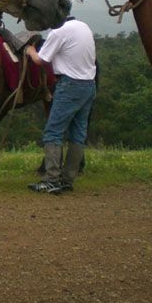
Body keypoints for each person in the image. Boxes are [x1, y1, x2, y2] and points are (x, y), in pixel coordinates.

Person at [24, 16, 96, 194]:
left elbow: (41, 60)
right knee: (78, 134)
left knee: (53, 132)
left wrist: (30, 50)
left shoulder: (58, 31)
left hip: (69, 85)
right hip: (88, 85)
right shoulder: (83, 25)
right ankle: (67, 179)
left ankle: (51, 180)